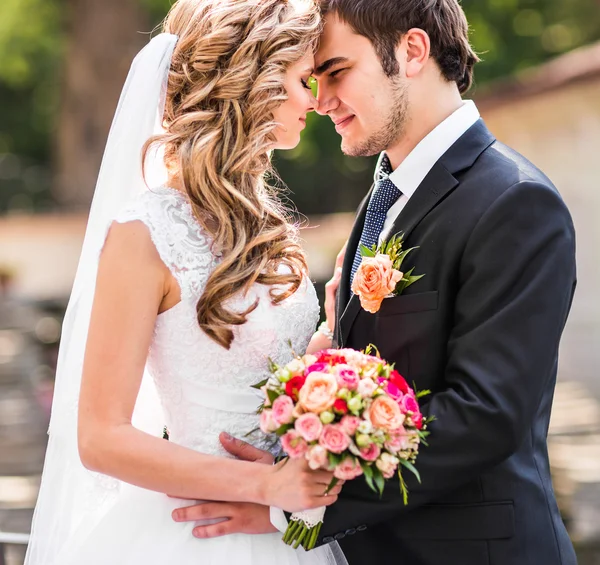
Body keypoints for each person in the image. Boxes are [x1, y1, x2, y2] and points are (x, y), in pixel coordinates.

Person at [180, 1, 579, 564]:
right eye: (313, 80)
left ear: (412, 51)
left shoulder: (514, 202)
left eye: (337, 71)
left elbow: (485, 415)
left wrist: (301, 506)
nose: (320, 102)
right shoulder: (381, 198)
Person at [24, 1, 348, 564]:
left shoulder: (275, 232)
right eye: (303, 80)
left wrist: (332, 338)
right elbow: (101, 437)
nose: (316, 102)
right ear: (255, 82)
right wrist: (265, 486)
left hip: (287, 530)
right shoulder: (144, 233)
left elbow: (267, 370)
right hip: (197, 536)